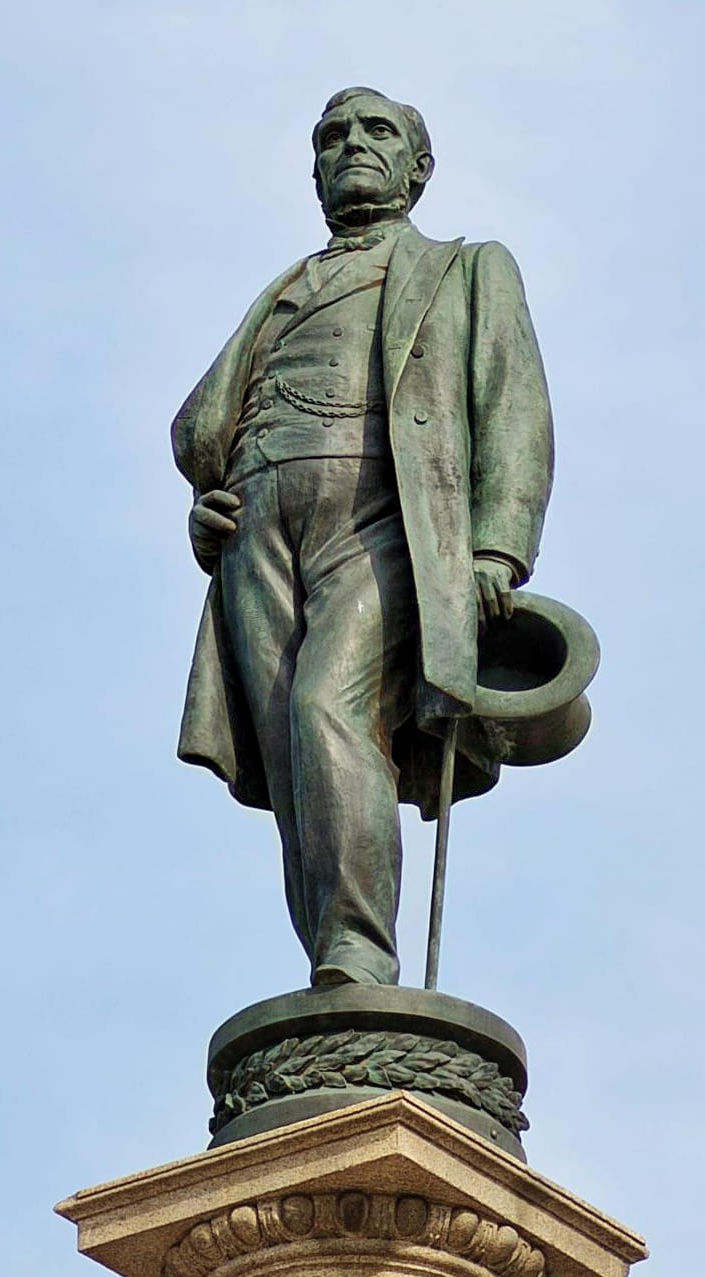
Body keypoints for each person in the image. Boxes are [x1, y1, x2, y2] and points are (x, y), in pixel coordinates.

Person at [172, 87, 554, 988]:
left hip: (388, 526)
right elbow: (208, 430)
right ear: (313, 169)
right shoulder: (282, 293)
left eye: (376, 131)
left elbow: (514, 406)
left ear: (417, 168)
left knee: (323, 709)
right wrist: (211, 505)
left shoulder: (466, 269)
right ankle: (332, 962)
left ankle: (357, 945)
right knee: (288, 749)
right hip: (258, 532)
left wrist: (497, 546)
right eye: (332, 136)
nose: (352, 146)